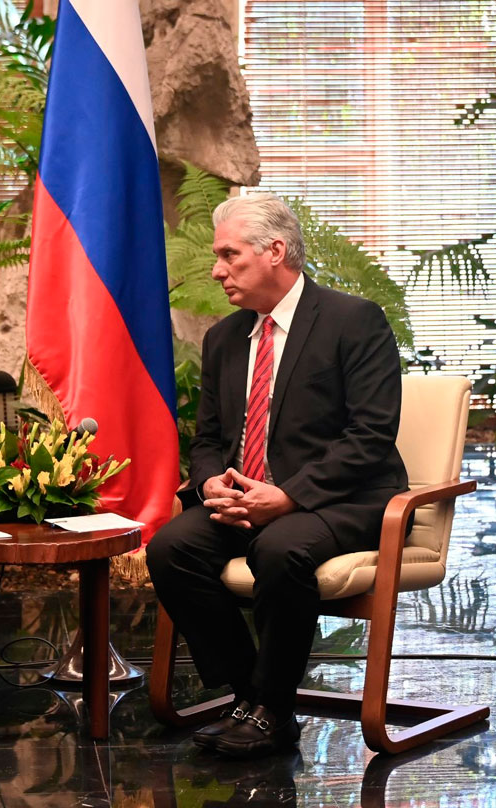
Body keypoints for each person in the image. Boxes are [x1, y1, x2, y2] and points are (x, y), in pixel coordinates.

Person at [146, 194, 407, 759]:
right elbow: (210, 440)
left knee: (280, 548)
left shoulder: (353, 321)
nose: (217, 270)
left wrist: (288, 496)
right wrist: (212, 481)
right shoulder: (223, 339)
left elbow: (371, 436)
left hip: (344, 500)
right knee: (171, 548)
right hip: (248, 500)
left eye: (228, 256)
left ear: (275, 251)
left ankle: (269, 704)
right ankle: (257, 699)